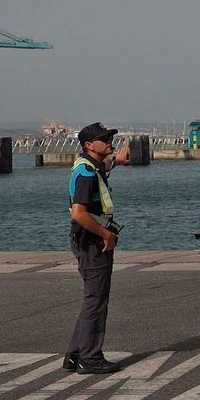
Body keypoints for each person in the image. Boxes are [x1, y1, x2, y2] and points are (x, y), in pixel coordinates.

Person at [65, 122, 130, 375]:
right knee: (96, 301)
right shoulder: (86, 173)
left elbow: (105, 166)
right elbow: (79, 214)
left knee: (93, 299)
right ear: (89, 145)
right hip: (92, 242)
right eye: (104, 140)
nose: (110, 143)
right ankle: (90, 358)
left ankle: (76, 354)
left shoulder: (92, 166)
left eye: (110, 138)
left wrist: (119, 161)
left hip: (91, 240)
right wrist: (107, 235)